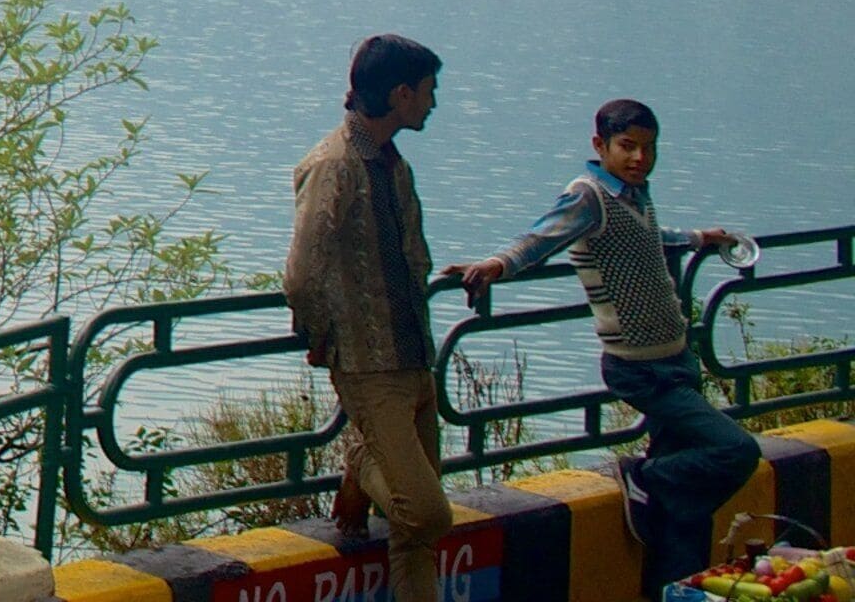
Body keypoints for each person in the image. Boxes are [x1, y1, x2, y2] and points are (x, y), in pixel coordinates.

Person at [461, 99, 756, 592]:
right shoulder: (590, 195)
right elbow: (542, 236)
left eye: (648, 148)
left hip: (675, 359)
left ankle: (674, 586)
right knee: (735, 450)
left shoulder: (634, 196)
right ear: (600, 146)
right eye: (628, 147)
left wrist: (700, 237)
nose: (640, 157)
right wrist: (498, 264)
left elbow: (650, 238)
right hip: (641, 369)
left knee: (687, 514)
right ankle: (644, 476)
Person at [286, 34, 471, 602]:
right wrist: (318, 335)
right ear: (400, 93)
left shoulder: (393, 164)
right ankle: (363, 461)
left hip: (415, 356)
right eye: (428, 91)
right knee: (429, 513)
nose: (433, 104)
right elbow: (301, 273)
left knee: (415, 539)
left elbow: (414, 260)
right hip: (369, 365)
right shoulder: (334, 166)